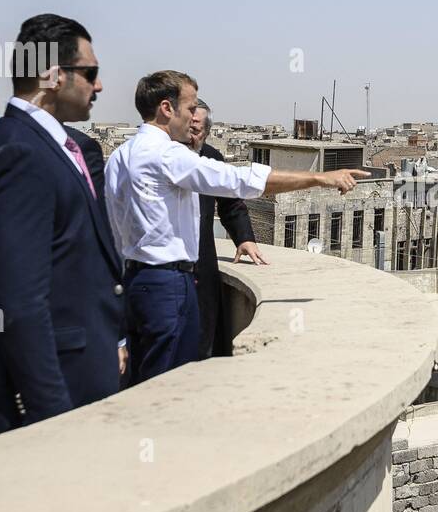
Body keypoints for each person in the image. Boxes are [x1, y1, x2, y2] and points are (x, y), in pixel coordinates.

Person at [104, 70, 367, 383]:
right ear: (166, 108)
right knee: (169, 382)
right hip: (167, 284)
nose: (192, 118)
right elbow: (236, 180)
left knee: (142, 377)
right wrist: (317, 178)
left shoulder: (120, 155)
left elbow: (111, 232)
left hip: (136, 281)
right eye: (189, 109)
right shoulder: (167, 154)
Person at [0, 14, 127, 439]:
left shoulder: (50, 145)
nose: (100, 86)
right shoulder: (17, 150)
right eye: (90, 73)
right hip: (49, 393)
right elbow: (18, 298)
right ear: (53, 75)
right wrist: (53, 414)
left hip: (75, 372)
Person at [188, 100, 263, 358]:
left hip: (203, 266)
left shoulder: (211, 157)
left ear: (207, 131)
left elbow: (231, 204)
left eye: (196, 129)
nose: (190, 134)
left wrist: (244, 238)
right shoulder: (164, 158)